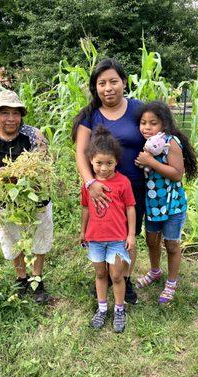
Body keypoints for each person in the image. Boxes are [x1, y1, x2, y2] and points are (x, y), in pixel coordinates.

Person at [72, 58, 145, 304]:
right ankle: (104, 277)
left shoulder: (137, 109)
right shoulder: (90, 115)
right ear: (96, 87)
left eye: (114, 81)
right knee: (104, 235)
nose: (108, 88)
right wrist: (90, 184)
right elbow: (81, 153)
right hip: (100, 190)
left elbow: (157, 135)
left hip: (133, 186)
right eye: (101, 83)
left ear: (124, 82)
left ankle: (124, 279)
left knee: (128, 235)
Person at [0, 90, 53, 304]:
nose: (11, 119)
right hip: (4, 203)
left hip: (36, 200)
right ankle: (21, 279)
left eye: (15, 113)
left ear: (21, 115)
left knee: (39, 238)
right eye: (4, 113)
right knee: (12, 238)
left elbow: (44, 166)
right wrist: (1, 175)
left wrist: (24, 176)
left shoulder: (34, 136)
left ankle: (37, 279)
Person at [135, 101, 198, 304]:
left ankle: (171, 282)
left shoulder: (171, 143)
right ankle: (155, 272)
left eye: (152, 123)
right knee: (151, 241)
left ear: (164, 124)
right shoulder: (146, 144)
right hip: (153, 205)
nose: (146, 127)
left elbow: (177, 174)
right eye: (143, 122)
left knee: (171, 245)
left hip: (173, 206)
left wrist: (150, 162)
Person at [80, 125, 136, 333]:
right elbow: (85, 208)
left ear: (116, 162)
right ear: (91, 161)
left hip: (117, 240)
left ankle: (119, 309)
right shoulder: (88, 185)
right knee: (100, 274)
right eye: (99, 163)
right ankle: (102, 309)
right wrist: (82, 231)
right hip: (95, 239)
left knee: (116, 275)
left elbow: (130, 208)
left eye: (109, 163)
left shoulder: (123, 183)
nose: (104, 168)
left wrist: (131, 235)